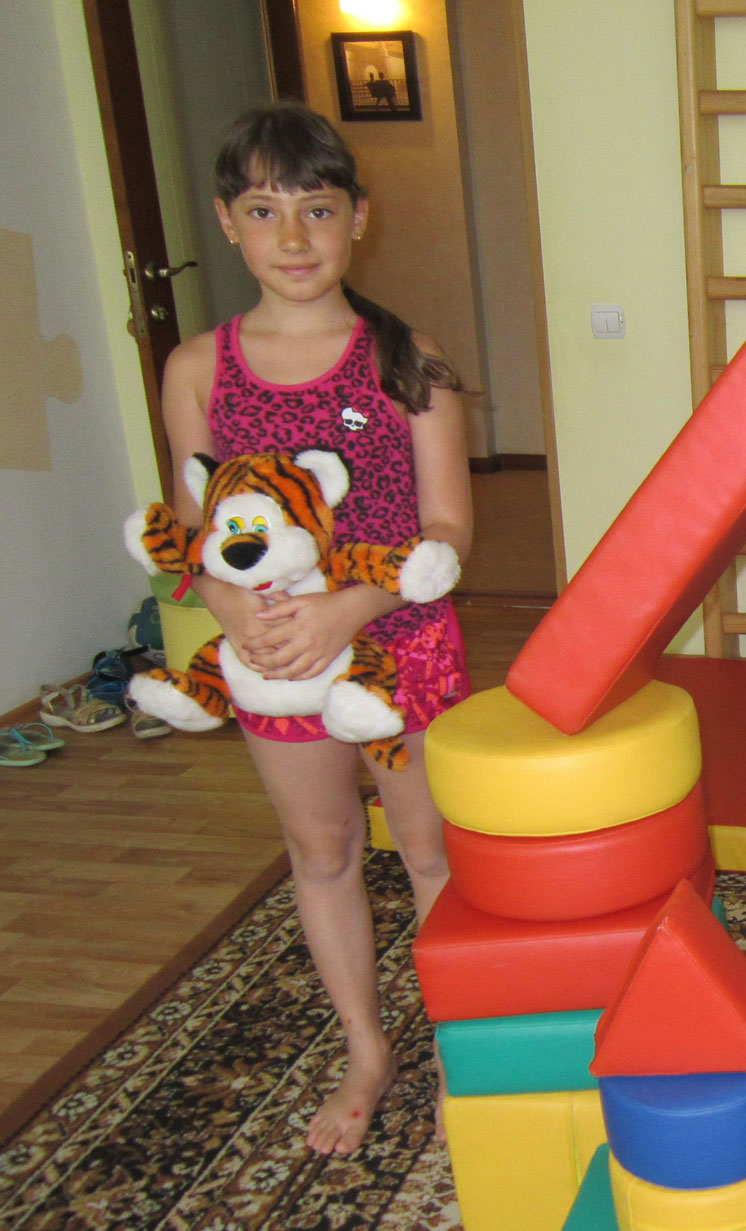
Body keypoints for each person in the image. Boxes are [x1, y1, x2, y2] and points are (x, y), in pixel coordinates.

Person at [160, 102, 473, 1156]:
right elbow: (193, 530)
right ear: (227, 221)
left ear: (358, 218)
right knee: (323, 848)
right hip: (275, 661)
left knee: (430, 852)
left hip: (401, 645)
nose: (293, 237)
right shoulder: (198, 369)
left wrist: (352, 604)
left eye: (318, 209)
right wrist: (230, 611)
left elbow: (448, 525)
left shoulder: (406, 358)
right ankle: (365, 1051)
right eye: (263, 210)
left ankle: (454, 1048)